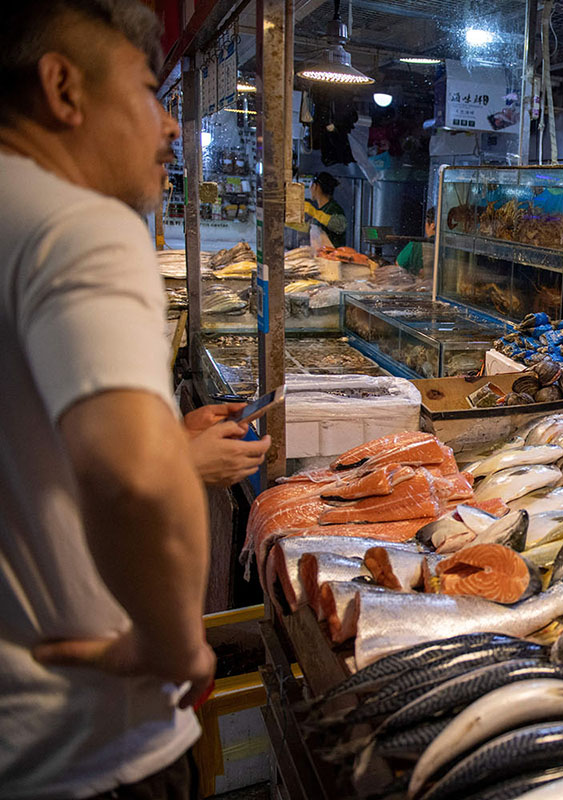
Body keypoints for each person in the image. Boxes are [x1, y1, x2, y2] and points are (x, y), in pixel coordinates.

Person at [0, 0, 253, 794]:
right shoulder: (83, 228)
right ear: (63, 87)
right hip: (88, 737)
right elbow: (132, 481)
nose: (172, 127)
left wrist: (169, 446)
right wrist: (173, 647)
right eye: (150, 91)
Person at [304, 170, 348, 249]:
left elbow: (341, 226)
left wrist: (314, 212)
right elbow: (311, 228)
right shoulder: (322, 209)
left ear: (316, 186)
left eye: (311, 185)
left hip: (333, 258)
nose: (310, 189)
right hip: (321, 257)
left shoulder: (333, 208)